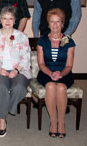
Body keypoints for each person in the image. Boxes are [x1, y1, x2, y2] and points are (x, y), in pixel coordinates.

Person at [0, 6, 31, 137]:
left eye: (10, 18)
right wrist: (0, 69)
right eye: (4, 18)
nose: (7, 21)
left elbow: (26, 57)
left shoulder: (22, 36)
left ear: (15, 20)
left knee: (19, 88)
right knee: (1, 87)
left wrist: (16, 70)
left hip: (19, 69)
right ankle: (2, 122)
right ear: (0, 20)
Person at [36, 8, 75, 138]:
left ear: (62, 23)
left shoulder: (69, 41)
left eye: (58, 22)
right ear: (48, 23)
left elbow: (69, 65)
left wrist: (61, 74)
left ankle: (61, 122)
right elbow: (41, 64)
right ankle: (53, 122)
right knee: (51, 86)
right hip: (46, 73)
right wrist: (50, 74)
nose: (55, 25)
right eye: (52, 22)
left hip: (64, 73)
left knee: (61, 87)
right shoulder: (42, 41)